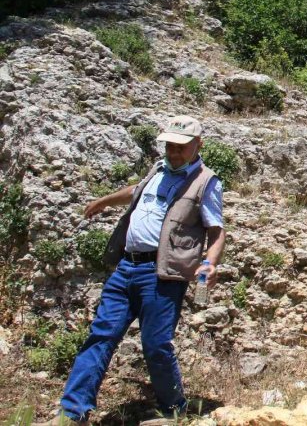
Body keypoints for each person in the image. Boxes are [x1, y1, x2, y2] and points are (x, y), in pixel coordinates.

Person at [38, 116, 225, 426]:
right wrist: (104, 201)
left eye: (181, 147)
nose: (174, 152)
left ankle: (174, 409)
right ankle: (72, 413)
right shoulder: (158, 169)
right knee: (101, 335)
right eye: (169, 146)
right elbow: (136, 191)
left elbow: (217, 229)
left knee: (155, 344)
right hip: (127, 266)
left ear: (197, 145)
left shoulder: (206, 182)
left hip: (162, 273)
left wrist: (210, 261)